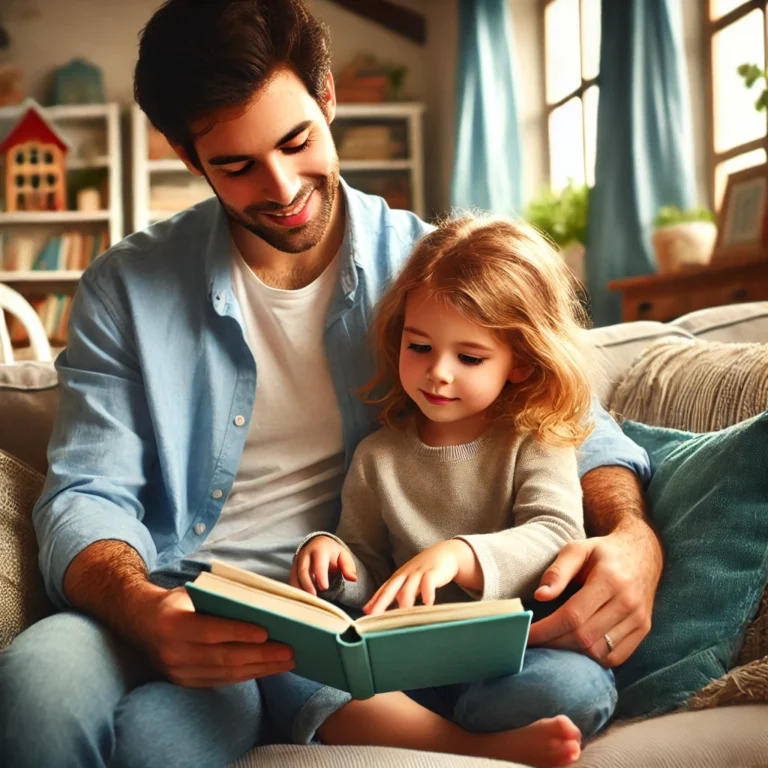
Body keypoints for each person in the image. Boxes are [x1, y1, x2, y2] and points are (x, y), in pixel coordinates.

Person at [0, 1, 661, 767]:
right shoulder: (128, 286)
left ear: (328, 96)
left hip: (327, 623)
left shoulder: (430, 269)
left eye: (297, 140)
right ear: (189, 159)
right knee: (35, 689)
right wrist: (145, 609)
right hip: (170, 591)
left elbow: (577, 423)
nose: (282, 188)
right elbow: (86, 491)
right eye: (237, 166)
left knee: (156, 744)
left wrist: (633, 537)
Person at [287, 214, 617, 767]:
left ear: (521, 362)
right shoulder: (379, 457)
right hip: (409, 667)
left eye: (469, 358)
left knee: (570, 689)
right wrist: (335, 561)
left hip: (514, 659)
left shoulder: (535, 439)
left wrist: (461, 555)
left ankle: (443, 731)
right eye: (419, 347)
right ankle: (466, 744)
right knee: (291, 669)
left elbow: (556, 532)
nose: (438, 373)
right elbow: (368, 573)